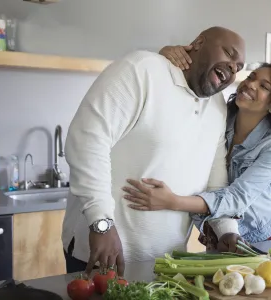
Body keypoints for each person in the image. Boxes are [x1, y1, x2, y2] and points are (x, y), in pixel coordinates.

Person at [62, 26, 245, 276]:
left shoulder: (217, 107)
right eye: (229, 53)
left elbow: (215, 181)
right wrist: (101, 224)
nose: (233, 67)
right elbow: (87, 141)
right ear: (198, 42)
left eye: (239, 66)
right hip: (104, 252)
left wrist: (225, 229)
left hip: (168, 263)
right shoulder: (142, 69)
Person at [123, 49, 271, 253]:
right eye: (252, 77)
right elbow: (191, 85)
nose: (251, 84)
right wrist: (172, 57)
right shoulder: (219, 115)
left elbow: (236, 198)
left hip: (257, 242)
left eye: (264, 87)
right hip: (219, 233)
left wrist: (173, 202)